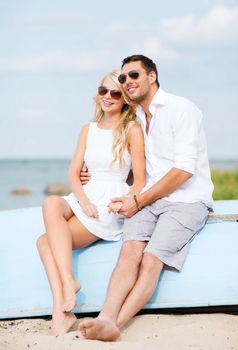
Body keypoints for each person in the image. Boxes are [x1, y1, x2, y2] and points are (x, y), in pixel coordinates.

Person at [78, 54, 214, 341]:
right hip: (151, 199)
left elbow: (183, 171)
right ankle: (106, 317)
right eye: (124, 77)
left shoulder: (181, 108)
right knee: (128, 253)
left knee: (150, 260)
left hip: (187, 200)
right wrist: (91, 177)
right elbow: (137, 171)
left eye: (134, 75)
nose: (127, 82)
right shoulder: (135, 117)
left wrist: (138, 201)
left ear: (151, 77)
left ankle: (115, 324)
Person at [36, 69, 146, 336]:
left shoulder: (131, 129)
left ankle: (60, 312)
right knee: (51, 202)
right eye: (103, 91)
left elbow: (140, 180)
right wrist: (83, 201)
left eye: (115, 93)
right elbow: (73, 174)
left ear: (124, 99)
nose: (107, 97)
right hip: (85, 196)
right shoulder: (88, 129)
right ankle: (68, 281)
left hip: (108, 202)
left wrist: (127, 200)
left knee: (43, 242)